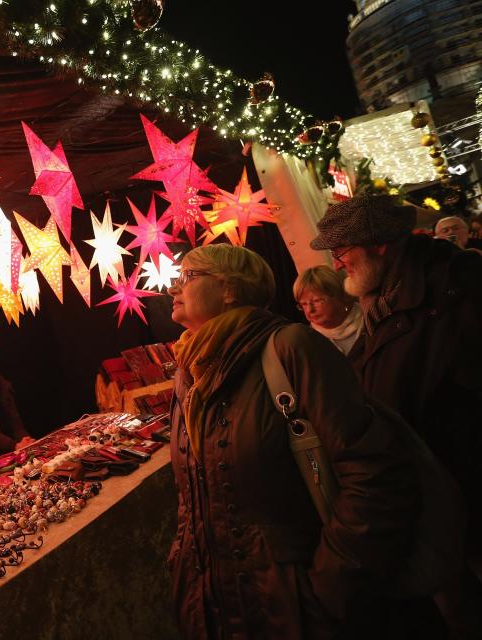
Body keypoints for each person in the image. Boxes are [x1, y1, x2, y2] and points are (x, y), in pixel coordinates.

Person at [166, 244, 419, 639]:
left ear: (230, 289)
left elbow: (374, 473)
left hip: (296, 608)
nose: (172, 289)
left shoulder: (291, 348)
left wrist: (329, 592)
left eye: (187, 277)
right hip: (216, 611)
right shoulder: (189, 373)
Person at [310, 194, 482, 576]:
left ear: (379, 244)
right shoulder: (381, 300)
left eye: (341, 250)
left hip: (463, 489)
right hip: (430, 494)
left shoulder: (458, 283)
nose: (337, 263)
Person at [292, 265, 362, 356]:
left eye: (317, 300)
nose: (310, 310)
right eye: (304, 304)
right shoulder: (306, 341)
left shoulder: (371, 323)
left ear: (343, 296)